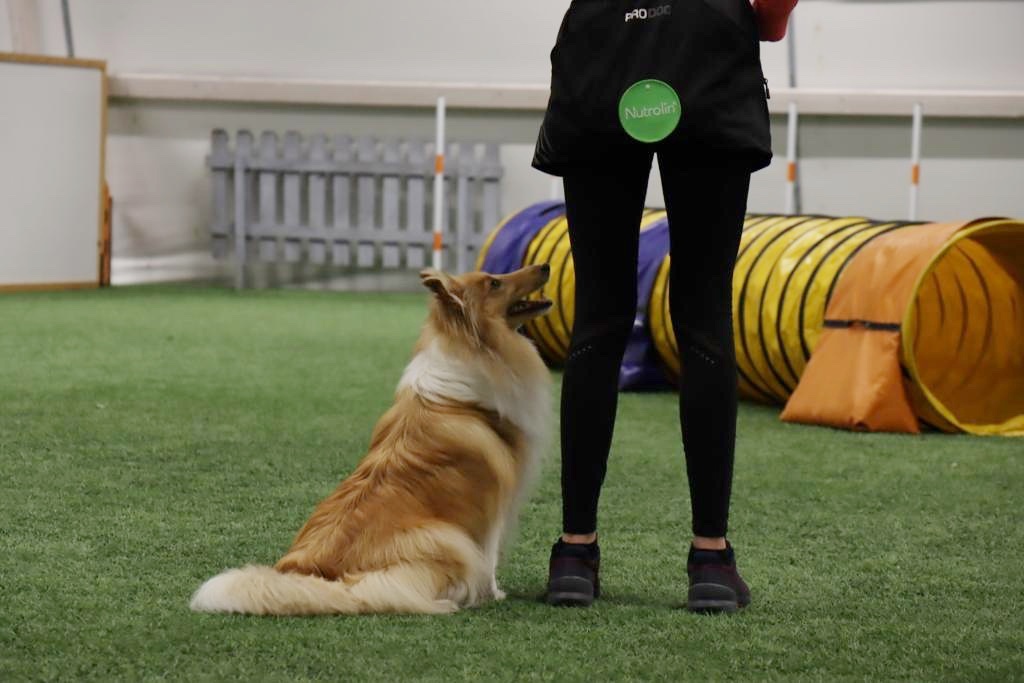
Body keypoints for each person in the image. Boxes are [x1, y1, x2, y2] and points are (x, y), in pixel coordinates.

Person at [532, 0, 798, 612]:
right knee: (704, 320)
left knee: (598, 319)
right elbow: (773, 10)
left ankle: (575, 553)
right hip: (710, 53)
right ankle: (710, 559)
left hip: (601, 53)